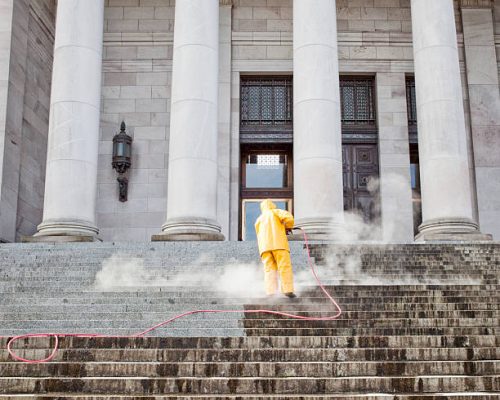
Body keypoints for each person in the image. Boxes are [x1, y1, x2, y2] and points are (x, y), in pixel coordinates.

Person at [254, 199, 296, 298]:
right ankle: (287, 290)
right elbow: (289, 218)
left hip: (264, 248)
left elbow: (258, 233)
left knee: (269, 269)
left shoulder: (259, 219)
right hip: (279, 244)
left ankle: (271, 291)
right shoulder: (275, 212)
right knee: (284, 267)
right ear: (272, 205)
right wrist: (288, 227)